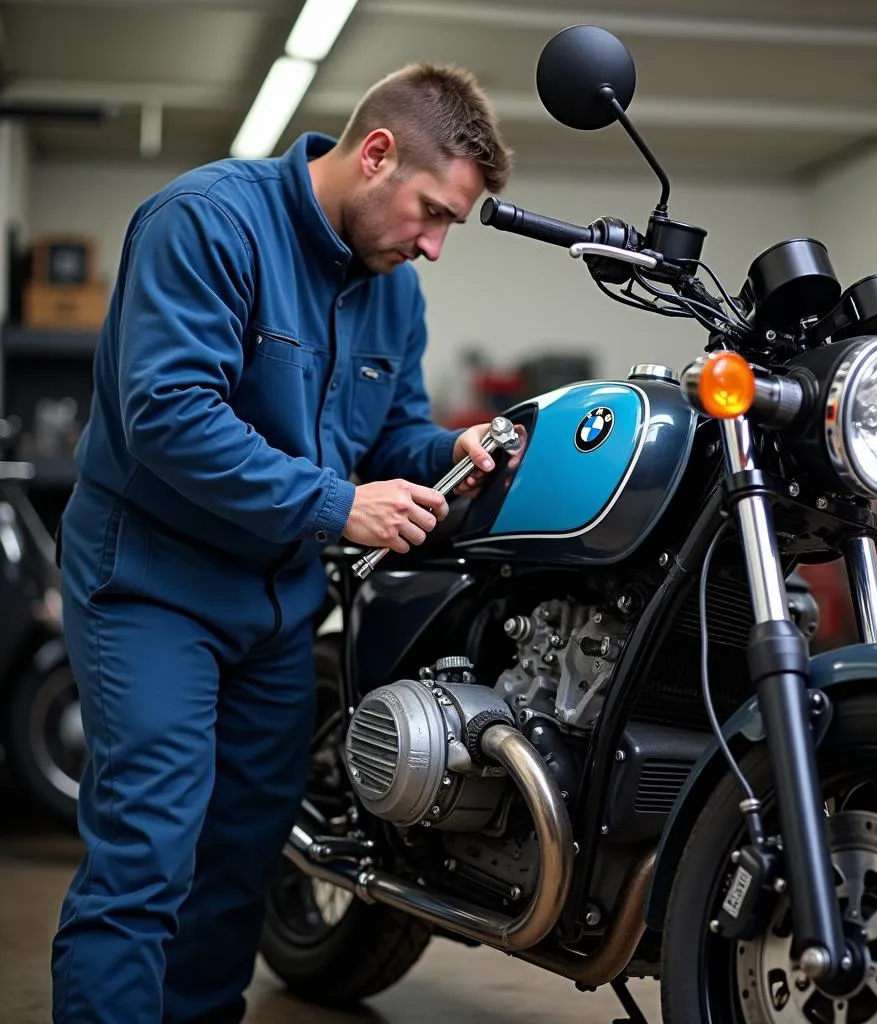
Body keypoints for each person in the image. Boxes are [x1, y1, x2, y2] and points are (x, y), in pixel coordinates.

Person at [50, 62, 515, 1023]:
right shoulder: (208, 222)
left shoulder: (392, 289)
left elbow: (388, 439)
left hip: (276, 607)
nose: (433, 245)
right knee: (149, 851)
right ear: (377, 153)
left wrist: (452, 450)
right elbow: (168, 415)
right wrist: (334, 504)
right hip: (152, 587)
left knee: (241, 858)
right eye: (432, 213)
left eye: (448, 228)